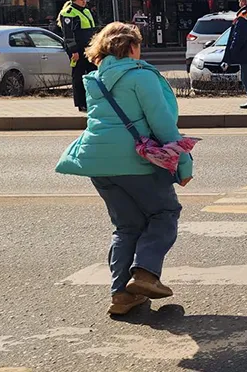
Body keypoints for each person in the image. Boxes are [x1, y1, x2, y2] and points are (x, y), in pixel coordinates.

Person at [55, 22, 194, 316]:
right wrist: (183, 162)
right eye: (139, 45)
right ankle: (144, 273)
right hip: (137, 161)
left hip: (98, 163)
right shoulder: (140, 76)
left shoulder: (95, 79)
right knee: (165, 213)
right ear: (131, 47)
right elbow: (162, 123)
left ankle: (121, 294)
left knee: (126, 226)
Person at [57, 0, 99, 112]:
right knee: (79, 75)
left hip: (89, 47)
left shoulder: (86, 10)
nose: (84, 1)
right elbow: (68, 35)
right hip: (78, 49)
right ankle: (81, 103)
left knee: (93, 73)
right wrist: (74, 51)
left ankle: (93, 100)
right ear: (74, 0)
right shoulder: (68, 13)